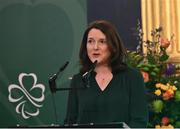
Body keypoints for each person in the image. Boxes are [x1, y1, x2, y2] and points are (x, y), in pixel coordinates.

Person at [64, 20, 148, 128]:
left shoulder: (132, 77)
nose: (95, 47)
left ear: (113, 45)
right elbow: (70, 122)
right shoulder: (78, 80)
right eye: (90, 41)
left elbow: (139, 121)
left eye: (102, 42)